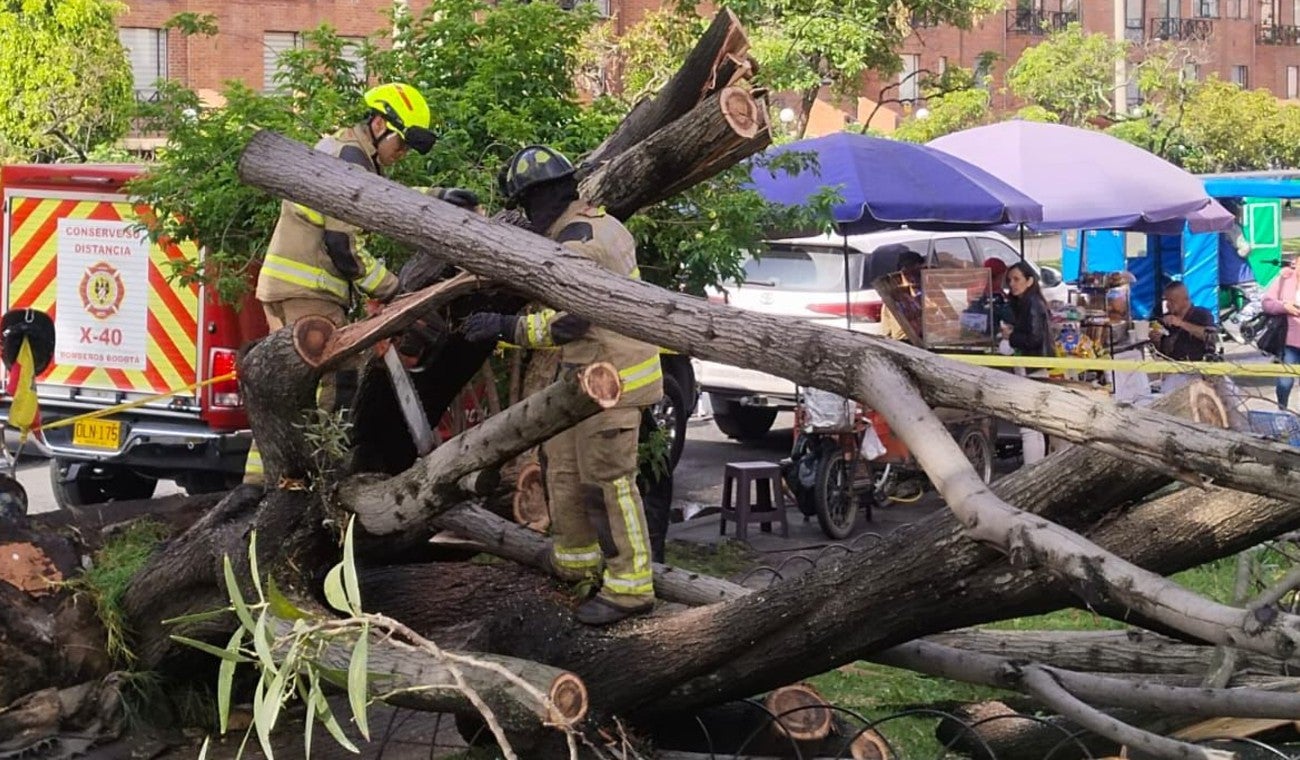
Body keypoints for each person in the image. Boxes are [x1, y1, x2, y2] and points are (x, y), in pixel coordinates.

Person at [460, 145, 663, 626]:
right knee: (563, 469)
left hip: (613, 383)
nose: (527, 217)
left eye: (527, 206)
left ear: (544, 197)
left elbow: (570, 323)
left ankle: (631, 588)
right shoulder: (598, 224)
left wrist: (503, 327)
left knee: (608, 485)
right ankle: (575, 561)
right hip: (584, 380)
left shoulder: (580, 243)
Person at [242, 83, 446, 486]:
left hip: (285, 286)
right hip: (310, 293)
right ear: (379, 123)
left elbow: (381, 199)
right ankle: (309, 483)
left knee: (284, 391)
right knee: (328, 388)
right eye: (401, 144)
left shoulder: (339, 150)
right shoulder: (350, 165)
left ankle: (260, 484)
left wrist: (437, 196)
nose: (402, 155)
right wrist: (392, 291)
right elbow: (344, 248)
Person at [1001, 261, 1052, 465]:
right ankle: (1037, 469)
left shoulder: (1032, 303)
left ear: (1030, 280)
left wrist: (1011, 336)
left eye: (1017, 279)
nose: (1012, 284)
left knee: (1029, 427)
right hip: (1033, 367)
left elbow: (1034, 338)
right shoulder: (1027, 303)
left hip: (1033, 368)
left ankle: (1031, 471)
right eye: (1010, 280)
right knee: (1035, 426)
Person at [1262, 255, 1300, 410]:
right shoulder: (1284, 279)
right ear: (1295, 263)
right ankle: (1282, 410)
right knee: (1285, 382)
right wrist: (1285, 306)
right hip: (1289, 342)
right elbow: (1266, 304)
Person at [1152, 282, 1215, 362]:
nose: (1168, 305)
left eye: (1172, 301)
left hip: (1197, 366)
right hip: (1170, 366)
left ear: (1185, 299)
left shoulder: (1202, 314)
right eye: (1166, 301)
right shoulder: (1166, 319)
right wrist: (1156, 341)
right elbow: (1161, 353)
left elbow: (1211, 337)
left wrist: (1181, 323)